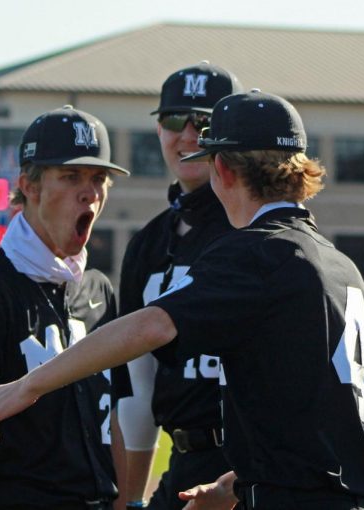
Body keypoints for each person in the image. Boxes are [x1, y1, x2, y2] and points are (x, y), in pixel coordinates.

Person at [0, 90, 364, 510]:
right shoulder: (342, 268)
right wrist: (232, 488)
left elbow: (153, 326)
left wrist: (30, 384)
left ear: (222, 169)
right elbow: (317, 425)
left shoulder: (258, 251)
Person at [0, 105, 132, 510]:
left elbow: (113, 422)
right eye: (70, 176)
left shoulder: (97, 290)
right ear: (30, 186)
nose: (89, 192)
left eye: (98, 178)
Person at [117, 61, 241, 510]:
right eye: (174, 120)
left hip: (253, 466)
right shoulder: (148, 245)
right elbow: (138, 386)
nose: (187, 135)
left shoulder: (259, 228)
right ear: (158, 130)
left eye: (204, 123)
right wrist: (130, 499)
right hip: (184, 462)